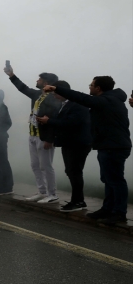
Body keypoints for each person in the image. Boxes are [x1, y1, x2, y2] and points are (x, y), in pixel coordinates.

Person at [44, 76, 131, 225]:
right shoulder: (109, 100)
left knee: (115, 181)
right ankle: (107, 208)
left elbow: (81, 98)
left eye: (91, 85)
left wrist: (57, 88)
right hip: (108, 145)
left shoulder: (106, 101)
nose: (89, 87)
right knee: (108, 180)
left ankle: (119, 213)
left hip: (114, 146)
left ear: (98, 88)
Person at [5, 65, 61, 204]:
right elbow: (23, 88)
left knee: (46, 166)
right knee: (35, 165)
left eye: (40, 79)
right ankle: (42, 192)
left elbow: (55, 118)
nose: (37, 81)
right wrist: (12, 75)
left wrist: (50, 138)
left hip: (44, 137)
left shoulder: (53, 98)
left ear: (47, 82)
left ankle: (52, 194)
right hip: (33, 135)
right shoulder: (37, 95)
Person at [36, 81, 91, 212]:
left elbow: (71, 123)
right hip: (69, 143)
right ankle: (77, 200)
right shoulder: (64, 104)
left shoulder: (77, 104)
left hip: (77, 143)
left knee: (74, 172)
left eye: (56, 92)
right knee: (71, 171)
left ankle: (78, 201)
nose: (54, 95)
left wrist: (49, 121)